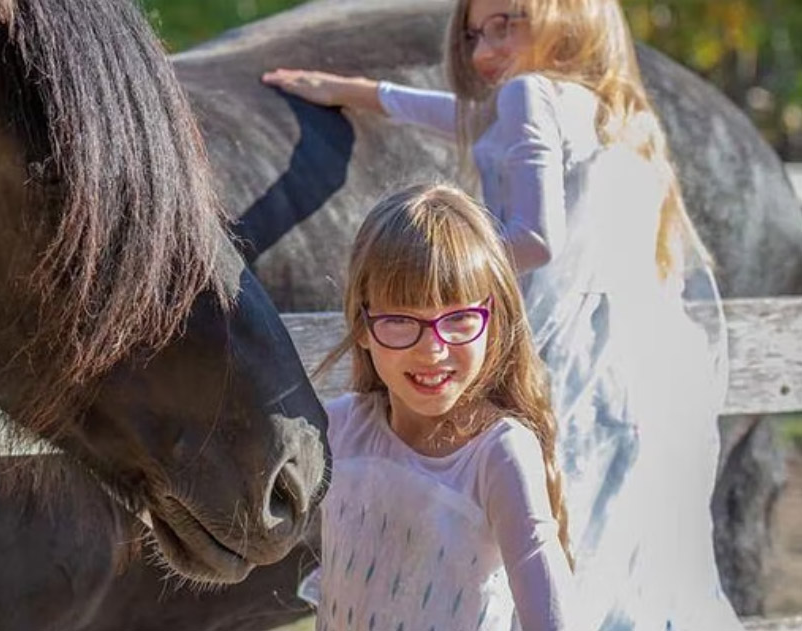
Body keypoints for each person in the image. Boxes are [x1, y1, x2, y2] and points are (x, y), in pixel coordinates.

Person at [265, 1, 739, 629]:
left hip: (527, 325)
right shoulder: (603, 108)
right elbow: (462, 118)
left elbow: (539, 238)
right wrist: (359, 92)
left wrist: (448, 277)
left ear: (571, 16)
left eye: (505, 24)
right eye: (473, 34)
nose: (484, 51)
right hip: (600, 354)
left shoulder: (526, 93)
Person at [299, 183, 576, 631]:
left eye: (459, 318)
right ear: (363, 326)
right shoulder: (338, 429)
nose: (432, 349)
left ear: (494, 321)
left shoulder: (497, 455)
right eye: (400, 320)